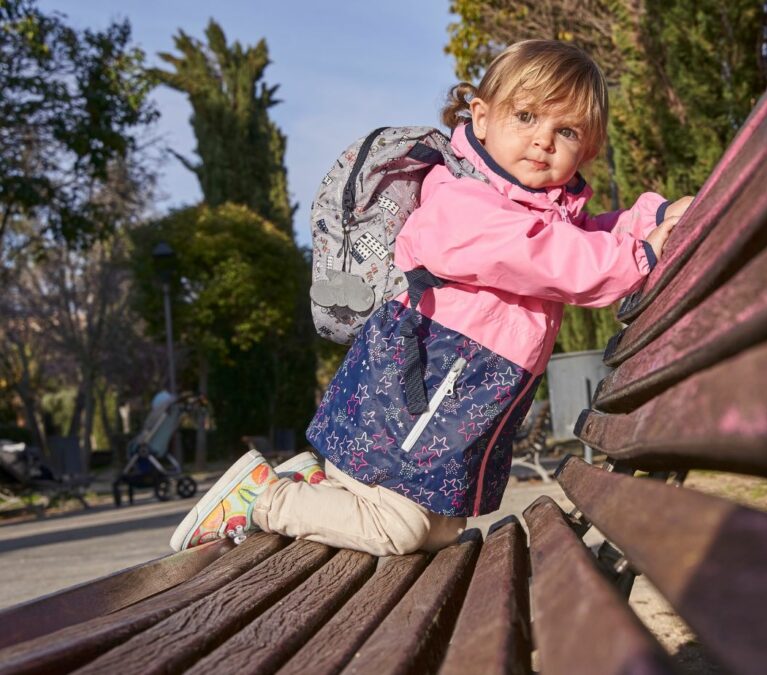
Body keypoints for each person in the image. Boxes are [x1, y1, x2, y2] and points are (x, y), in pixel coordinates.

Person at [170, 39, 694, 555]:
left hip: (460, 390)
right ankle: (260, 498)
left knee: (440, 528)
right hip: (419, 383)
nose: (543, 141)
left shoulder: (537, 212)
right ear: (481, 118)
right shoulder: (463, 200)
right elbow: (545, 256)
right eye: (527, 117)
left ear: (589, 148)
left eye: (566, 130)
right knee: (398, 528)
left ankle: (312, 491)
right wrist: (638, 257)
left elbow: (581, 236)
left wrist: (650, 218)